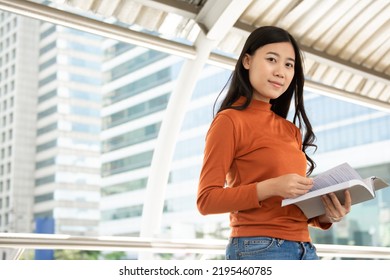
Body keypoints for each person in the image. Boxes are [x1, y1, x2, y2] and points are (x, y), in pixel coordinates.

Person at [196, 26, 351, 260]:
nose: (281, 72)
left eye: (289, 65)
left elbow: (290, 206)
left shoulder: (291, 131)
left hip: (305, 249)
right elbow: (206, 201)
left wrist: (328, 215)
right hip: (258, 248)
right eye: (271, 59)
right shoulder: (229, 121)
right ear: (247, 61)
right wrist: (270, 187)